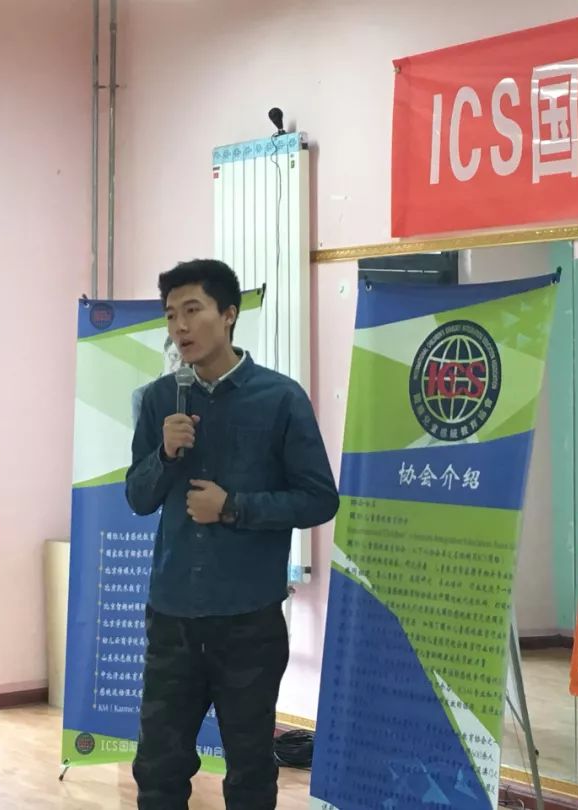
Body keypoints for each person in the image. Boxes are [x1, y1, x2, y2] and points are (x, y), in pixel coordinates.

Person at [125, 258, 339, 810]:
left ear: (229, 314)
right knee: (158, 767)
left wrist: (232, 508)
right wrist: (164, 454)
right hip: (172, 617)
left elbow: (319, 498)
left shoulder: (280, 398)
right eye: (171, 315)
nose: (180, 326)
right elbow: (138, 498)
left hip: (248, 619)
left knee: (249, 769)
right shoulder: (159, 399)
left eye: (192, 310)